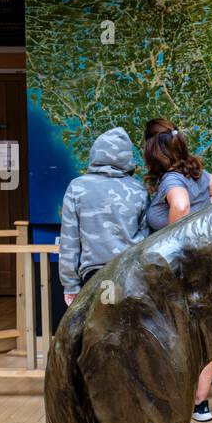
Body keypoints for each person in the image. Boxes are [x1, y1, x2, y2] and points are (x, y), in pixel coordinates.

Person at [143, 118, 212, 423]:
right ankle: (200, 405)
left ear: (154, 152)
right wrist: (205, 222)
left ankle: (179, 413)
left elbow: (180, 204)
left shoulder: (172, 180)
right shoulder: (198, 173)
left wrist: (173, 243)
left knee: (173, 338)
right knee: (202, 336)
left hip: (178, 272)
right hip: (204, 266)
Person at [58, 127, 148, 306]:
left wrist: (70, 286)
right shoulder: (139, 189)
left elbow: (69, 241)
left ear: (95, 153)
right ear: (127, 157)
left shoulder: (77, 187)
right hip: (132, 273)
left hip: (94, 276)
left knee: (100, 330)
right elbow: (145, 239)